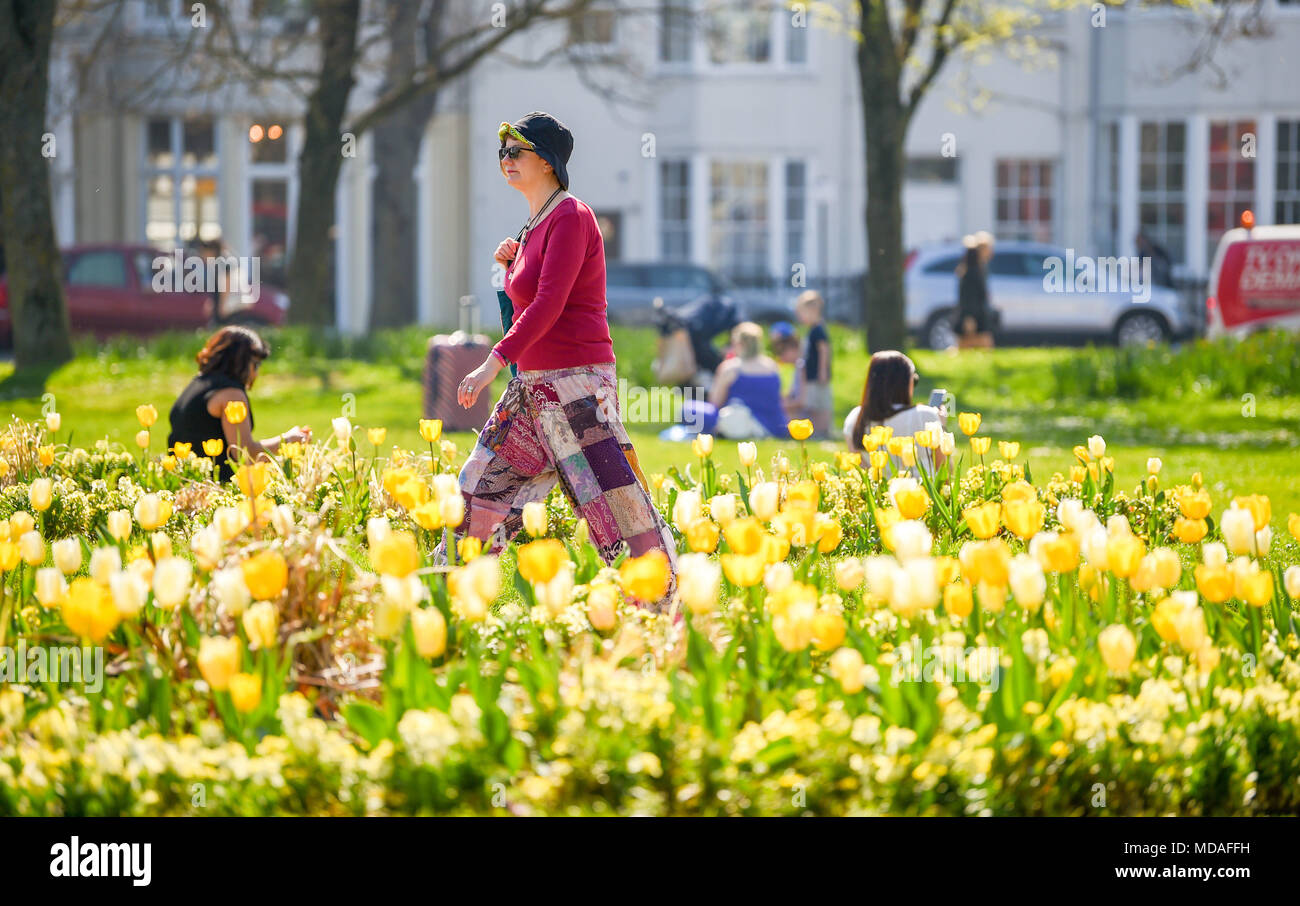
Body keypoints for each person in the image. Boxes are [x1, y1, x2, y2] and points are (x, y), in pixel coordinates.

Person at [449, 111, 677, 611]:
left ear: (548, 161)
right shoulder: (532, 228)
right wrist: (508, 269)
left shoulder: (572, 216)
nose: (505, 161)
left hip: (576, 389)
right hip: (533, 388)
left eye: (517, 151)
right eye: (502, 151)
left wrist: (492, 362)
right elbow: (525, 305)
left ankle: (661, 614)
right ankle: (453, 600)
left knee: (615, 509)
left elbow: (550, 304)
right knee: (480, 485)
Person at [167, 325, 311, 482]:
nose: (256, 373)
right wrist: (287, 441)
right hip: (214, 489)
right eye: (255, 364)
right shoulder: (231, 394)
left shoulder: (198, 383)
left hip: (182, 482)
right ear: (241, 361)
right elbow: (244, 455)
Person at [676, 322, 789, 439]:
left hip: (738, 423)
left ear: (739, 344)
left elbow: (715, 402)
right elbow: (779, 399)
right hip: (774, 426)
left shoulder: (731, 368)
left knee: (689, 409)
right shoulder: (772, 366)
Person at [843, 350, 947, 474]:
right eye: (914, 379)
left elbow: (863, 474)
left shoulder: (855, 418)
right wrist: (941, 426)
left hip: (878, 492)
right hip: (919, 492)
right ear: (905, 382)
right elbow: (944, 472)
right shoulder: (925, 416)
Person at [794, 290, 833, 436]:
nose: (800, 317)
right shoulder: (811, 330)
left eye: (801, 313)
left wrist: (822, 371)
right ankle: (816, 430)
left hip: (817, 376)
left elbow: (824, 350)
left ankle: (823, 430)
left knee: (820, 404)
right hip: (811, 375)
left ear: (813, 310)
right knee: (812, 404)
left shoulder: (818, 330)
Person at [955, 233, 994, 346]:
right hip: (972, 316)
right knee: (967, 347)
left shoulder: (981, 268)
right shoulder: (971, 271)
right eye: (988, 249)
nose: (991, 252)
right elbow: (967, 296)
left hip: (980, 314)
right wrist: (969, 317)